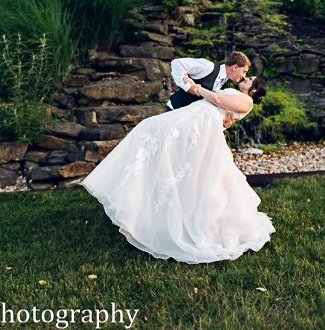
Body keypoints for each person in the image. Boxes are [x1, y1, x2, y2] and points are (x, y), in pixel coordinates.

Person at [81, 75, 273, 264]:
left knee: (159, 138)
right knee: (152, 134)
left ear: (253, 90)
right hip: (195, 117)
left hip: (200, 123)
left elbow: (217, 99)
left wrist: (197, 88)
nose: (244, 79)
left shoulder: (247, 101)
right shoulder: (240, 96)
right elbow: (223, 108)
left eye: (249, 80)